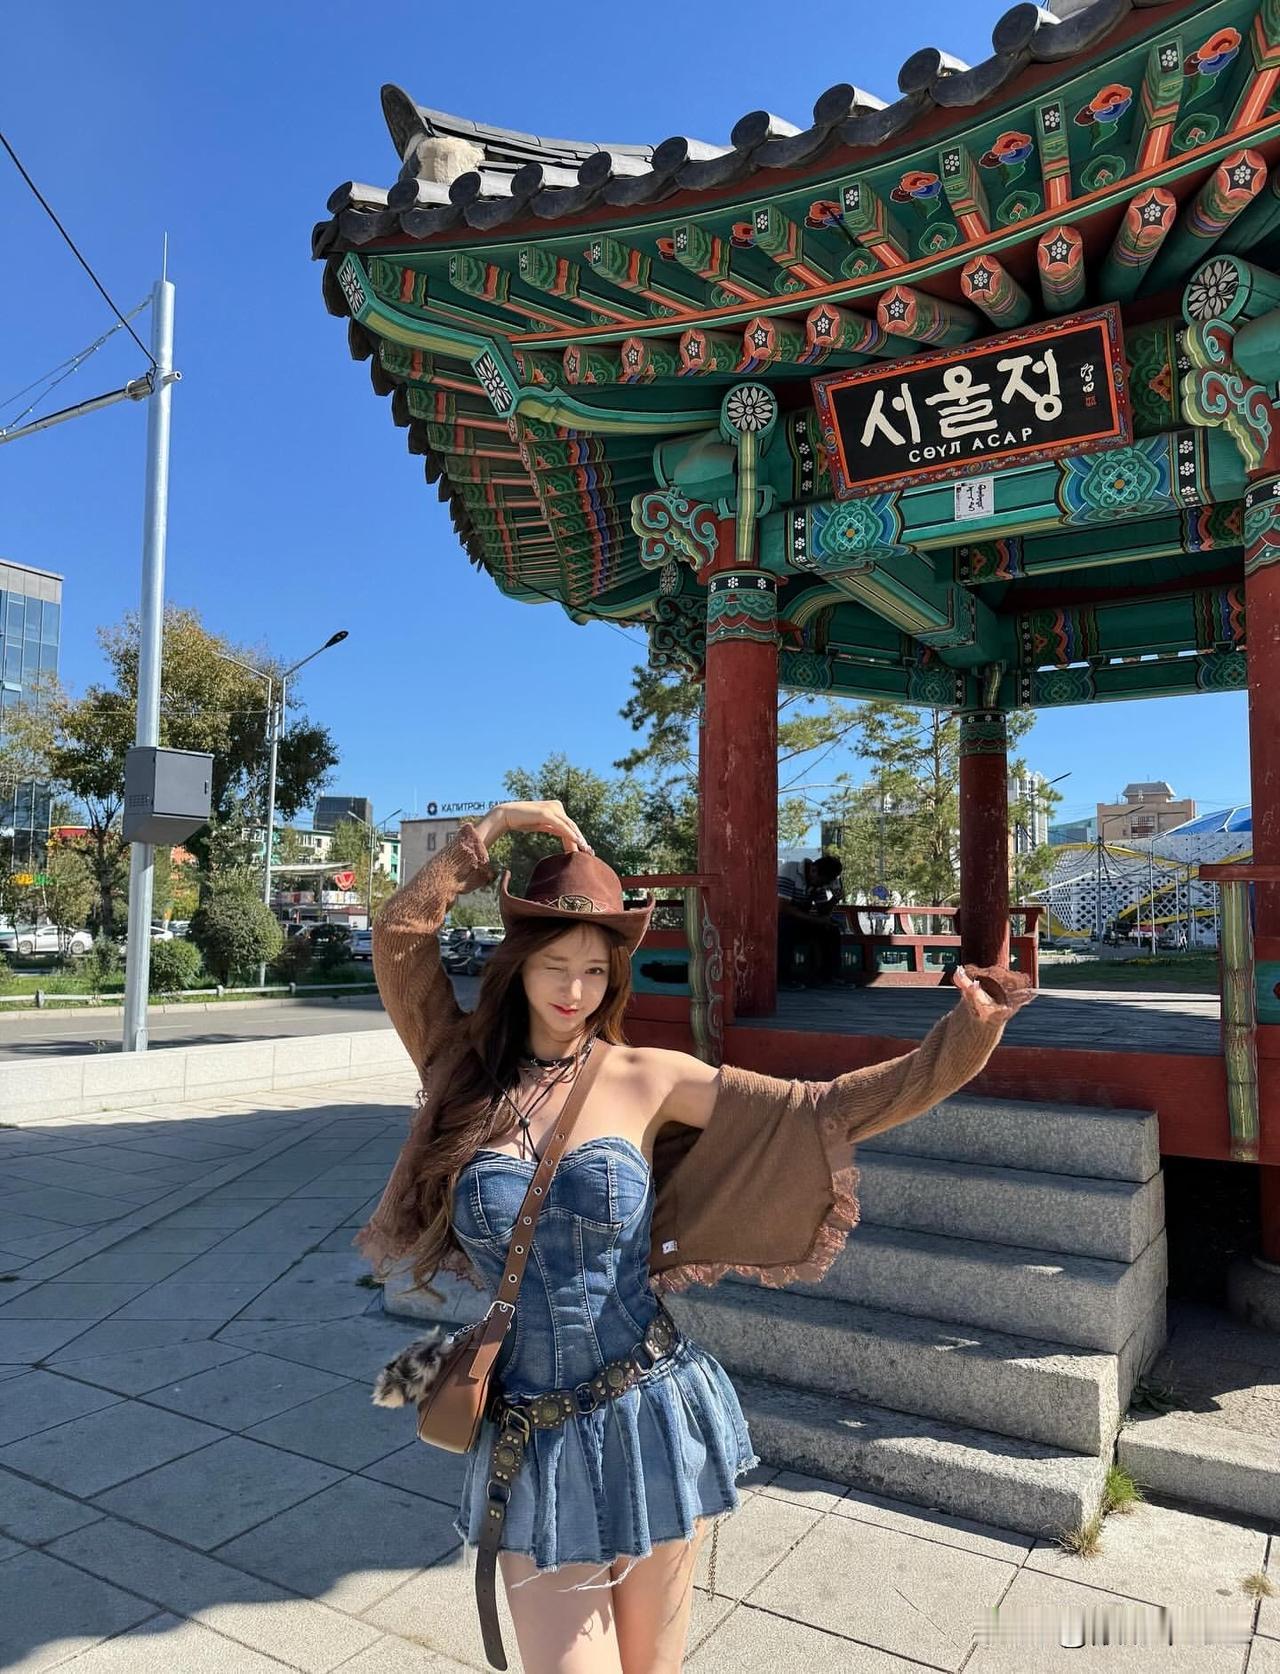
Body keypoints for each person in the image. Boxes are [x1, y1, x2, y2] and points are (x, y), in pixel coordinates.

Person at [358, 800, 1037, 1674]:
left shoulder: (650, 1078)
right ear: (517, 964)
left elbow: (822, 1111)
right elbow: (400, 937)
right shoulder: (459, 1068)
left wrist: (963, 1039)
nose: (574, 992)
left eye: (595, 971)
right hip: (529, 1431)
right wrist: (490, 831)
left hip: (647, 1405)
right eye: (556, 966)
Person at [777, 852, 846, 986]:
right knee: (785, 929)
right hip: (781, 919)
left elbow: (822, 910)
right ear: (814, 870)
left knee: (831, 931)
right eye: (822, 881)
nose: (822, 885)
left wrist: (835, 899)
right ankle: (783, 977)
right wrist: (816, 920)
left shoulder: (818, 883)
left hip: (801, 920)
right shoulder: (789, 870)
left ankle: (828, 976)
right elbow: (782, 907)